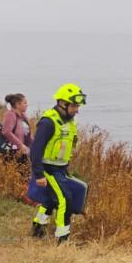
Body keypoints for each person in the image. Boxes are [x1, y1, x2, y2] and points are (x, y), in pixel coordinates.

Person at [29, 84, 87, 243]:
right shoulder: (48, 122)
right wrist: (39, 174)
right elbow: (35, 150)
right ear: (62, 103)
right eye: (74, 106)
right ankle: (62, 239)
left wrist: (65, 168)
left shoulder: (69, 122)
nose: (77, 110)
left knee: (50, 199)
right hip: (47, 169)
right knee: (65, 200)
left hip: (60, 169)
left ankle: (38, 228)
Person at [0, 93, 32, 162]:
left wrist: (36, 145)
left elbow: (27, 135)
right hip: (11, 152)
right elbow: (6, 132)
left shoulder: (23, 116)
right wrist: (20, 145)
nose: (27, 105)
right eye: (25, 103)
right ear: (18, 105)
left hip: (22, 152)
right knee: (26, 172)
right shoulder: (10, 114)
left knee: (28, 172)